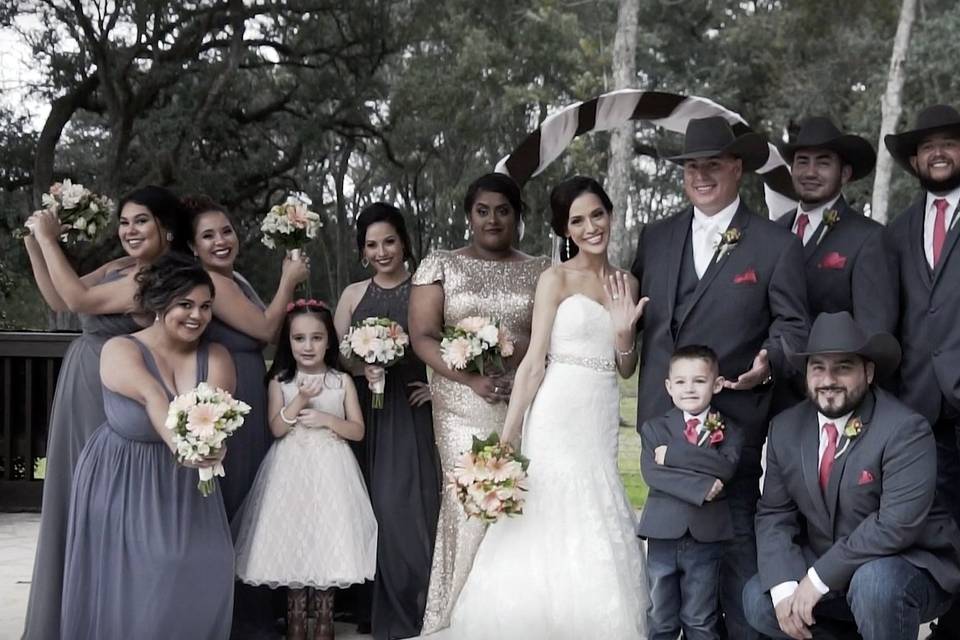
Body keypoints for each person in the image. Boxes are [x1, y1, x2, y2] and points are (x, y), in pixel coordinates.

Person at [419, 176, 650, 639]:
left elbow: (626, 369)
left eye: (597, 215)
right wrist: (506, 441)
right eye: (577, 221)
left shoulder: (626, 281)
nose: (590, 228)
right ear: (565, 230)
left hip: (599, 408)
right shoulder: (555, 279)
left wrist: (625, 337)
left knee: (596, 500)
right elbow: (532, 364)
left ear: (610, 214)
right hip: (556, 408)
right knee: (547, 503)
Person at [630, 116, 809, 639]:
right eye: (691, 166)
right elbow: (636, 314)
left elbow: (794, 326)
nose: (700, 175)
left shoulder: (775, 245)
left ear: (737, 169)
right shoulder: (657, 237)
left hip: (731, 424)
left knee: (730, 558)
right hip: (662, 426)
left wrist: (769, 361)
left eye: (713, 165)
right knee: (666, 563)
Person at [21, 185, 190, 640]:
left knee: (99, 501)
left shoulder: (156, 277)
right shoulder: (121, 267)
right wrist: (36, 246)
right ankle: (63, 613)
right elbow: (60, 302)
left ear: (167, 231)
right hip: (79, 385)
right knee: (68, 495)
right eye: (124, 222)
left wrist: (52, 240)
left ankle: (104, 613)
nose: (129, 231)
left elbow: (80, 301)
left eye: (141, 221)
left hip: (111, 388)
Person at [742, 311, 960, 640]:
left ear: (868, 372)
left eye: (843, 367)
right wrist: (787, 587)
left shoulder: (905, 429)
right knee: (760, 596)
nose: (829, 380)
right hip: (832, 568)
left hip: (907, 564)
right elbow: (774, 513)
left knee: (875, 585)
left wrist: (817, 579)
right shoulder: (785, 428)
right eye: (818, 368)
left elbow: (895, 525)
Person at [59, 252, 236, 639]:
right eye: (185, 305)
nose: (197, 315)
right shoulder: (120, 350)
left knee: (213, 566)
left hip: (190, 487)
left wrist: (214, 447)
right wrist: (185, 448)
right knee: (154, 576)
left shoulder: (216, 356)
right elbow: (157, 399)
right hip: (124, 480)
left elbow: (216, 417)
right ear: (158, 304)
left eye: (206, 306)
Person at [409, 173, 550, 633]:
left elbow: (548, 337)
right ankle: (453, 618)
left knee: (519, 505)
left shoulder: (540, 269)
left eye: (503, 210)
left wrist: (522, 375)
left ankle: (510, 622)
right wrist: (469, 378)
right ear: (469, 216)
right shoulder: (440, 264)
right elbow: (424, 336)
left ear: (518, 217)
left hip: (523, 402)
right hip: (459, 406)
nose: (493, 219)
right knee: (470, 505)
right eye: (482, 210)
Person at [233, 300, 377, 640]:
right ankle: (296, 621)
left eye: (316, 337)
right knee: (294, 534)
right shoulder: (280, 382)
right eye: (299, 339)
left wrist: (328, 419)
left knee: (328, 534)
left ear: (329, 341)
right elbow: (277, 429)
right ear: (289, 342)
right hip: (290, 470)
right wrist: (298, 400)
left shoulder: (340, 381)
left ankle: (325, 622)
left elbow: (357, 430)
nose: (308, 346)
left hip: (333, 470)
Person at [333, 203, 440, 640]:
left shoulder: (425, 290)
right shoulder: (353, 296)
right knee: (365, 507)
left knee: (404, 510)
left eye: (390, 241)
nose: (382, 252)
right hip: (362, 412)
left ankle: (410, 605)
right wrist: (363, 369)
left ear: (404, 243)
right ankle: (366, 604)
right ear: (362, 251)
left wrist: (440, 388)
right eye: (372, 245)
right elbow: (335, 355)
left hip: (408, 411)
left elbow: (449, 345)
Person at [183, 194, 309, 521]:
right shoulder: (210, 281)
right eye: (208, 236)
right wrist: (287, 281)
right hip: (231, 387)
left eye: (226, 231)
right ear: (193, 247)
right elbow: (266, 329)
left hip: (250, 384)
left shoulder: (233, 278)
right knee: (236, 481)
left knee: (252, 483)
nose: (221, 241)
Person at [884, 104, 960, 639]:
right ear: (914, 159)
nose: (939, 152)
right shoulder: (897, 232)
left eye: (949, 143)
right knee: (938, 540)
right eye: (928, 145)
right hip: (918, 412)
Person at [638, 344, 743, 640]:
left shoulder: (730, 430)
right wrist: (701, 485)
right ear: (669, 387)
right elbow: (652, 474)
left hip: (706, 538)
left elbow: (724, 469)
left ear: (717, 384)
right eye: (681, 382)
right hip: (663, 535)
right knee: (660, 618)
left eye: (699, 381)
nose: (689, 389)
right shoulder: (654, 428)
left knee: (700, 619)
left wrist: (673, 456)